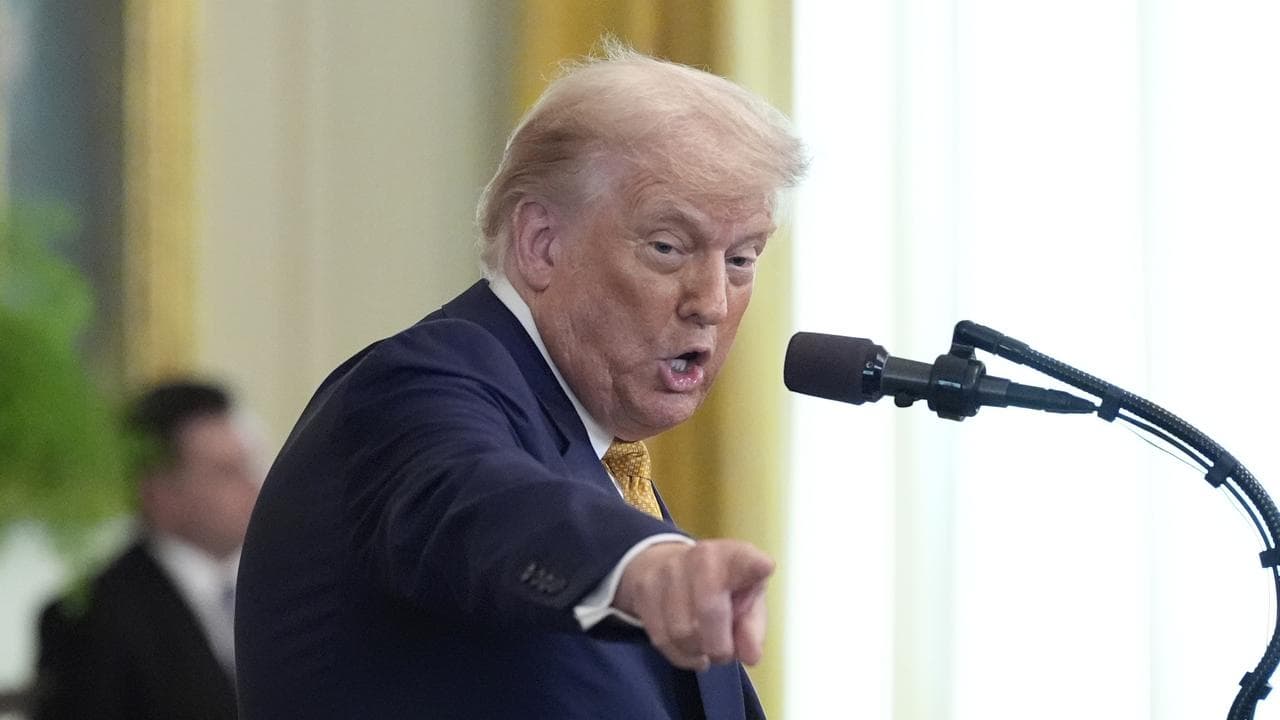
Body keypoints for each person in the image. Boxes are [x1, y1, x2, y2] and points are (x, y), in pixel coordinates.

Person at [235, 45, 807, 720]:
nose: (711, 300)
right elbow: (475, 498)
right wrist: (642, 568)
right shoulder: (413, 388)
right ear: (542, 243)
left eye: (742, 259)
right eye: (668, 247)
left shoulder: (607, 467)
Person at [32, 381, 263, 720]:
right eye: (225, 473)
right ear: (159, 492)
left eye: (247, 467)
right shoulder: (91, 619)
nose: (253, 487)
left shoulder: (273, 591)